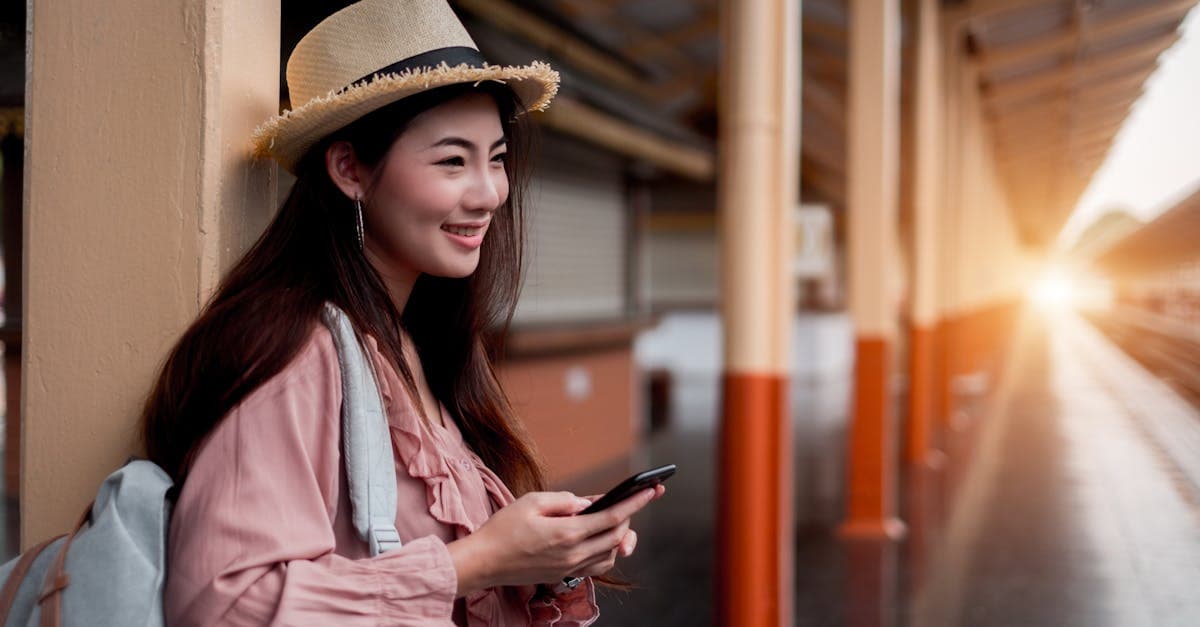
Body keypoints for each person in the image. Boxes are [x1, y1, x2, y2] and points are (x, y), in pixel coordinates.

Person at [140, 1, 662, 624]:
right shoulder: (297, 350)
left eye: (496, 158)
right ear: (349, 169)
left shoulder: (414, 340)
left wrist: (549, 559)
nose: (490, 192)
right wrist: (481, 561)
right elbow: (221, 604)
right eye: (452, 160)